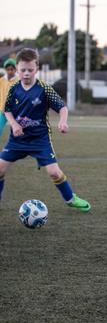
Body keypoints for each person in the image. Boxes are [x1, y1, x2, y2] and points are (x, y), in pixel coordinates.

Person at [0, 48, 90, 211]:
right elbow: (7, 110)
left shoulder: (44, 88)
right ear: (17, 69)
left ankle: (70, 199)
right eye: (22, 70)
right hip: (17, 140)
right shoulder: (13, 89)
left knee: (54, 173)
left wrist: (63, 122)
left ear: (37, 69)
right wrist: (14, 124)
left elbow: (62, 107)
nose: (26, 73)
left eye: (30, 70)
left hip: (39, 140)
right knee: (0, 168)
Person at [0, 58, 18, 134]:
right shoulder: (1, 80)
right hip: (2, 111)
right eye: (8, 69)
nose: (10, 71)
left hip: (15, 111)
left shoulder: (19, 81)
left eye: (12, 69)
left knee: (18, 131)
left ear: (15, 69)